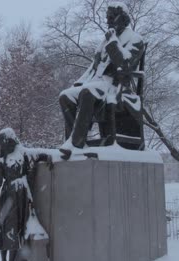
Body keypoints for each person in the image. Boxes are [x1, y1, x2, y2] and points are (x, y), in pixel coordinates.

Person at [59, 2, 145, 157]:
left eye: (111, 17)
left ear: (122, 18)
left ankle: (76, 143)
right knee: (66, 96)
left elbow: (125, 65)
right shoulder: (104, 42)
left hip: (116, 85)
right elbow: (94, 67)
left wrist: (112, 41)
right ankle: (74, 139)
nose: (108, 21)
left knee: (87, 92)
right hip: (96, 83)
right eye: (107, 18)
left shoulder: (135, 39)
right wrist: (79, 82)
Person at [0, 128, 50, 261]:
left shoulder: (22, 152)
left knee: (17, 229)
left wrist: (49, 156)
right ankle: (3, 260)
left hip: (22, 196)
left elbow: (37, 154)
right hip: (8, 196)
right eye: (2, 143)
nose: (3, 145)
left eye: (4, 142)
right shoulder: (1, 159)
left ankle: (13, 260)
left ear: (10, 140)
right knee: (3, 227)